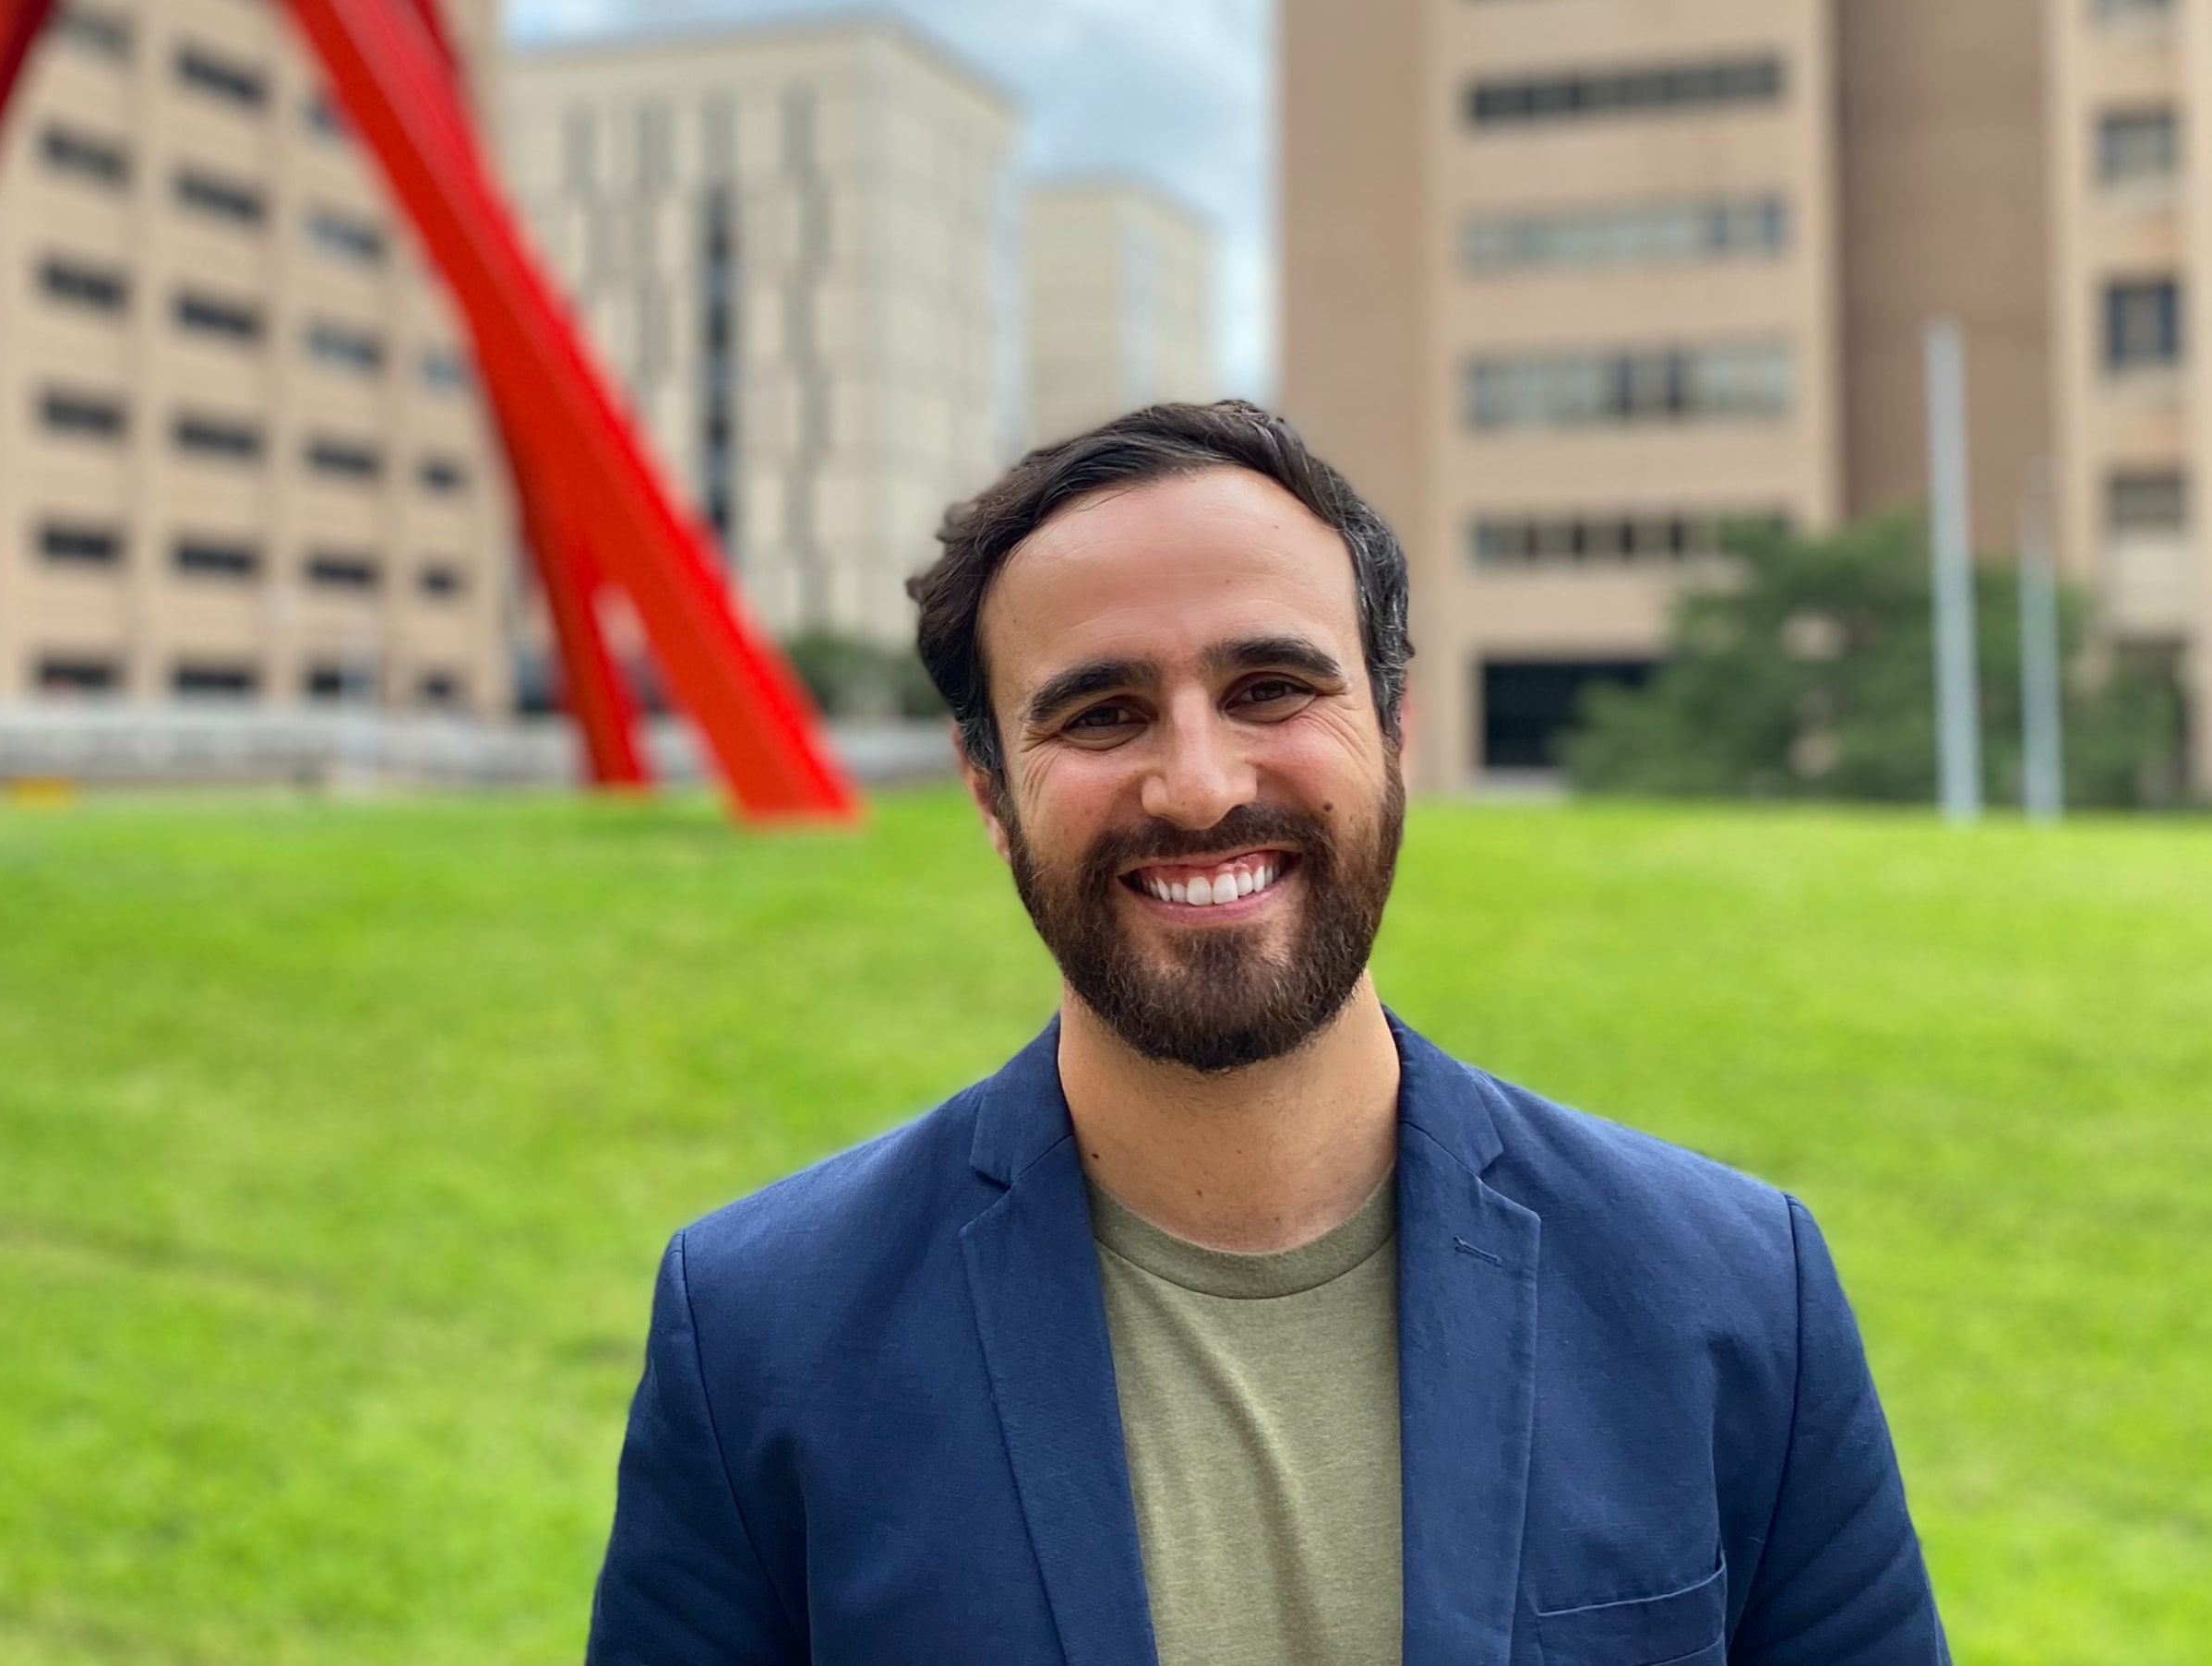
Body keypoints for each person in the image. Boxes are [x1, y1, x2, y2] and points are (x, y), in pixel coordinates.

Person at [587, 402, 1948, 1665]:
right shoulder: (762, 1335)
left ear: (1396, 725)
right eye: (1102, 713)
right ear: (990, 790)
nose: (1199, 784)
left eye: (1272, 689)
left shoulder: (1732, 1295)